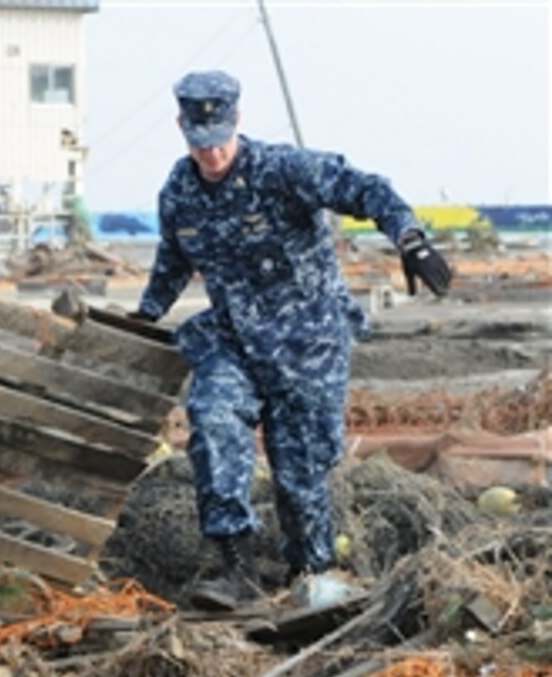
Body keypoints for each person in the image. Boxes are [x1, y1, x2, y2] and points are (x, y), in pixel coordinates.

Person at [130, 71, 451, 608]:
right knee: (211, 416)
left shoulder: (284, 170)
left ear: (239, 122)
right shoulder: (180, 191)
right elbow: (174, 257)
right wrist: (148, 310)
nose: (211, 155)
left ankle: (311, 573)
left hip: (309, 347)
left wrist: (411, 239)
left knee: (300, 477)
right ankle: (234, 567)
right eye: (199, 143)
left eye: (220, 140)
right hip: (234, 342)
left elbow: (364, 188)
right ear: (182, 127)